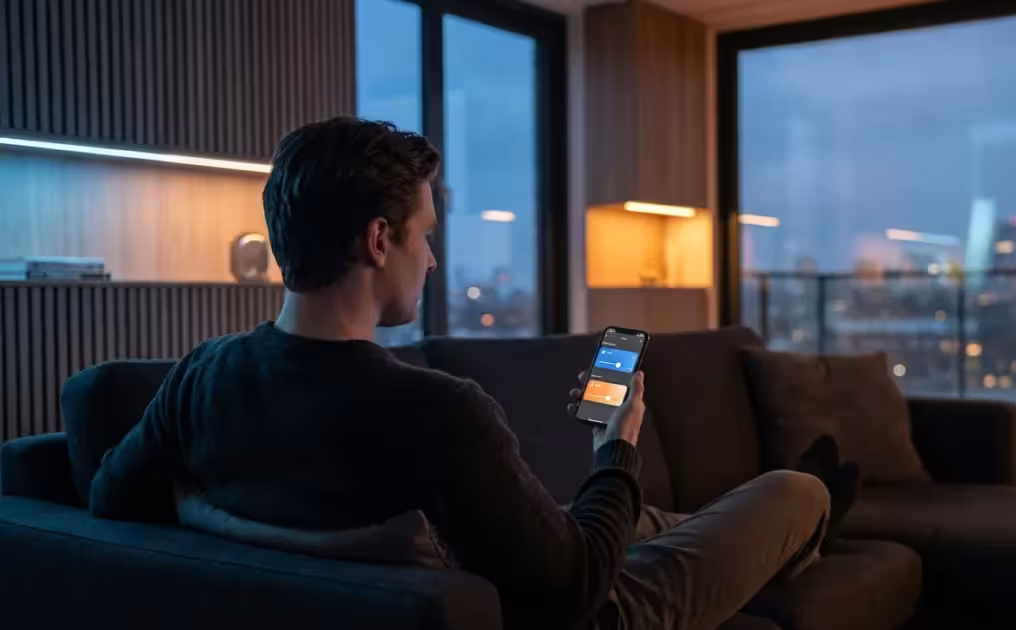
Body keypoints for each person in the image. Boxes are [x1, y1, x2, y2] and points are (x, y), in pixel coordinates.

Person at [89, 117, 853, 630]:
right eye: (425, 235)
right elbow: (573, 593)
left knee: (657, 522)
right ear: (379, 240)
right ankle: (813, 519)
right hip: (594, 610)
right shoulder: (435, 407)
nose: (432, 257)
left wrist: (215, 514)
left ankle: (763, 527)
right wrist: (617, 447)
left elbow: (109, 498)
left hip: (494, 566)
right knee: (793, 490)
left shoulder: (201, 376)